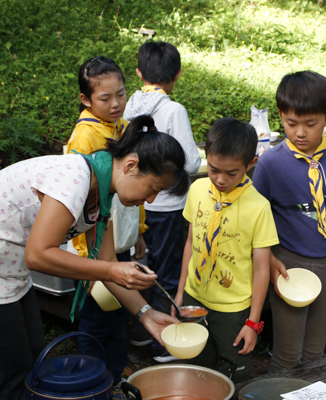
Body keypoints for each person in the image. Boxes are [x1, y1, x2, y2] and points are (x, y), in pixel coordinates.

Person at [0, 115, 188, 400]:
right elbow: (39, 255)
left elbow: (106, 262)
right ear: (131, 165)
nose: (150, 201)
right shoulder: (73, 179)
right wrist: (111, 271)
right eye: (153, 189)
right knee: (12, 374)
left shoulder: (105, 192)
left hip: (8, 264)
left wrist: (146, 315)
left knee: (35, 361)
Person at [252, 71, 326, 372]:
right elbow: (255, 221)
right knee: (287, 355)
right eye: (291, 124)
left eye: (311, 124)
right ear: (280, 115)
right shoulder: (270, 164)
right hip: (289, 265)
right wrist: (273, 260)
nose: (300, 133)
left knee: (315, 353)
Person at [66, 56, 147, 394]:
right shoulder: (85, 138)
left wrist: (139, 230)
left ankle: (113, 381)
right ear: (85, 100)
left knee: (117, 320)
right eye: (105, 98)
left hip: (122, 241)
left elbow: (140, 183)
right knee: (96, 324)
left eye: (121, 94)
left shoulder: (124, 128)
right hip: (95, 253)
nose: (115, 104)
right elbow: (74, 202)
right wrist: (93, 261)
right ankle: (92, 384)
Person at [175, 118, 278, 383]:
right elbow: (191, 243)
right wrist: (180, 294)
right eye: (214, 169)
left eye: (232, 173)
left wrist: (253, 323)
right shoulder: (197, 189)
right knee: (198, 366)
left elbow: (262, 268)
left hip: (232, 309)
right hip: (194, 297)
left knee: (234, 371)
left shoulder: (258, 207)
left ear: (250, 164)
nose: (221, 179)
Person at [123, 41, 201, 362]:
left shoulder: (126, 106)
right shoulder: (173, 110)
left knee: (140, 267)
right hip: (168, 208)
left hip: (135, 206)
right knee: (166, 273)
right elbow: (191, 163)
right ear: (178, 74)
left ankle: (140, 332)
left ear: (139, 72)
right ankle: (164, 343)